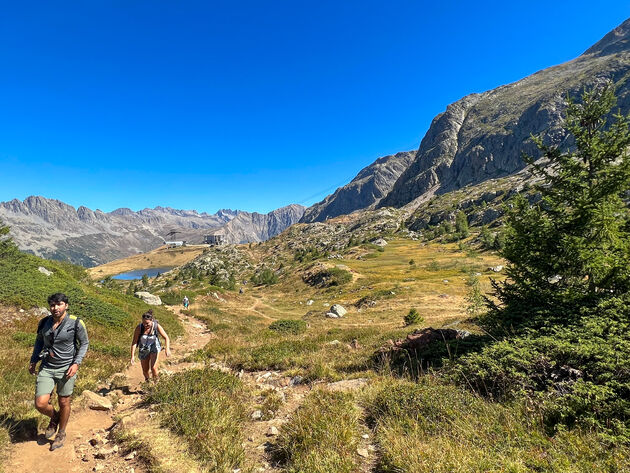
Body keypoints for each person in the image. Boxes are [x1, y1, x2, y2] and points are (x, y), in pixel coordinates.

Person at [29, 293, 89, 451]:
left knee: (64, 402)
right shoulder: (45, 323)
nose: (55, 308)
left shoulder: (76, 323)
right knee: (40, 403)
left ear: (66, 306)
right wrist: (34, 360)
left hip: (67, 368)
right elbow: (39, 342)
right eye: (52, 305)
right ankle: (54, 417)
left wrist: (76, 363)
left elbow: (84, 343)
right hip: (47, 367)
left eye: (59, 304)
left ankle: (61, 433)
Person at [130, 309, 171, 381]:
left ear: (152, 320)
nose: (145, 325)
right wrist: (132, 356)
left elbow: (166, 337)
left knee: (154, 368)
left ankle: (156, 385)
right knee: (145, 370)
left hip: (154, 347)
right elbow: (134, 342)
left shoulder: (156, 326)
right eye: (144, 323)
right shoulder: (139, 328)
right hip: (143, 348)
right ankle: (147, 382)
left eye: (147, 323)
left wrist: (167, 349)